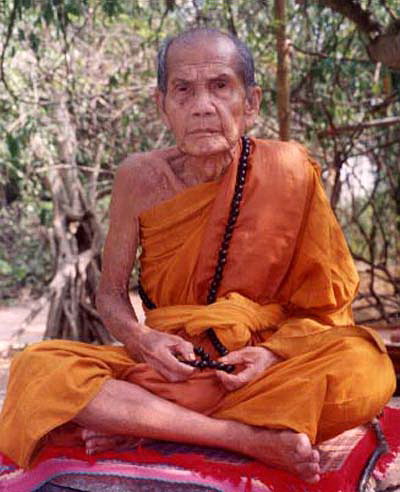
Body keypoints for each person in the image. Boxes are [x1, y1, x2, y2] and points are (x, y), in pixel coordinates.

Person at [0, 28, 396, 485]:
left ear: (251, 103)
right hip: (169, 369)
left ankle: (145, 422)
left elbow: (326, 307)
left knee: (366, 367)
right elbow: (110, 295)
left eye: (220, 86)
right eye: (183, 90)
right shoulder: (138, 179)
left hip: (257, 372)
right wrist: (143, 341)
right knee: (37, 367)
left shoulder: (289, 170)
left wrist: (270, 354)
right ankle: (240, 436)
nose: (202, 106)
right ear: (162, 105)